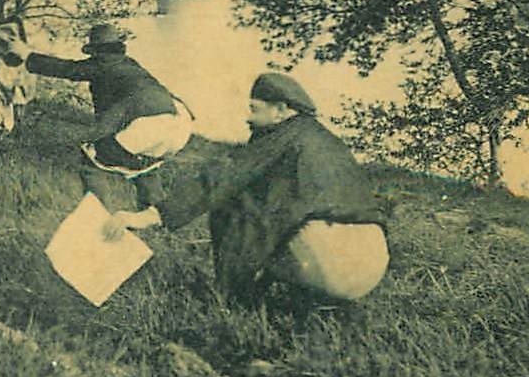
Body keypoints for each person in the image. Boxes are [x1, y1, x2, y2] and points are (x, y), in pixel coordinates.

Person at [108, 72, 390, 304]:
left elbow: (221, 179)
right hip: (372, 266)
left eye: (255, 109)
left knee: (233, 202)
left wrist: (149, 216)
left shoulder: (283, 135)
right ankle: (290, 302)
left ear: (281, 110)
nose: (248, 118)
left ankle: (231, 301)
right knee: (277, 211)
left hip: (330, 264)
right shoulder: (326, 140)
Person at [24, 23, 193, 211]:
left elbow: (68, 69)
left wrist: (26, 57)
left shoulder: (102, 63)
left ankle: (97, 218)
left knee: (90, 160)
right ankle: (156, 220)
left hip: (147, 123)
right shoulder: (130, 63)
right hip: (179, 123)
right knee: (143, 164)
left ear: (95, 51)